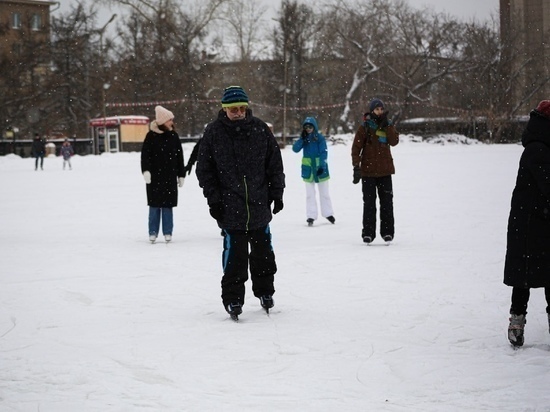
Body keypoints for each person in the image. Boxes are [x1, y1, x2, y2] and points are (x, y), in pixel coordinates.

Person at [196, 86, 285, 320]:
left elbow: (274, 164)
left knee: (263, 254)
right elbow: (205, 170)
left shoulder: (260, 130)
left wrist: (277, 193)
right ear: (224, 110)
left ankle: (265, 292)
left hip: (258, 205)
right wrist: (214, 200)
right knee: (235, 258)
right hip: (230, 208)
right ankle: (233, 298)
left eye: (241, 108)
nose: (238, 113)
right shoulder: (214, 132)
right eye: (233, 109)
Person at [505, 100, 550, 347]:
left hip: (538, 220)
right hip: (530, 223)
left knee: (541, 274)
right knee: (523, 277)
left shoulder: (541, 146)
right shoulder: (538, 150)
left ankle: (518, 320)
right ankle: (517, 322)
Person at [351, 98, 399, 244]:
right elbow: (356, 148)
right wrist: (356, 166)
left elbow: (394, 141)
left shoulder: (388, 125)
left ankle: (387, 233)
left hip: (385, 171)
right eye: (377, 109)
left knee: (387, 204)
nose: (379, 111)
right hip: (368, 172)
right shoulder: (365, 127)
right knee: (369, 204)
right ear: (372, 111)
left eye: (381, 109)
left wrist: (388, 126)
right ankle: (368, 233)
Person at [140, 105, 185, 243]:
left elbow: (179, 157)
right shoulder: (151, 136)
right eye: (169, 119)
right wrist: (146, 171)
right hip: (154, 177)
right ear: (162, 121)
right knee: (154, 206)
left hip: (169, 177)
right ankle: (152, 232)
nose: (172, 122)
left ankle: (168, 231)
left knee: (167, 206)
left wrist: (181, 174)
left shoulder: (173, 136)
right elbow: (145, 156)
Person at [292, 116, 335, 226]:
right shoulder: (304, 139)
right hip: (308, 170)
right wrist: (302, 139)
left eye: (310, 127)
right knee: (309, 194)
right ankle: (311, 215)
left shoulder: (319, 138)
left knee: (324, 193)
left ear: (314, 127)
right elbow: (295, 149)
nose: (308, 129)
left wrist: (322, 165)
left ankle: (328, 213)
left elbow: (323, 152)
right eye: (306, 127)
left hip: (320, 169)